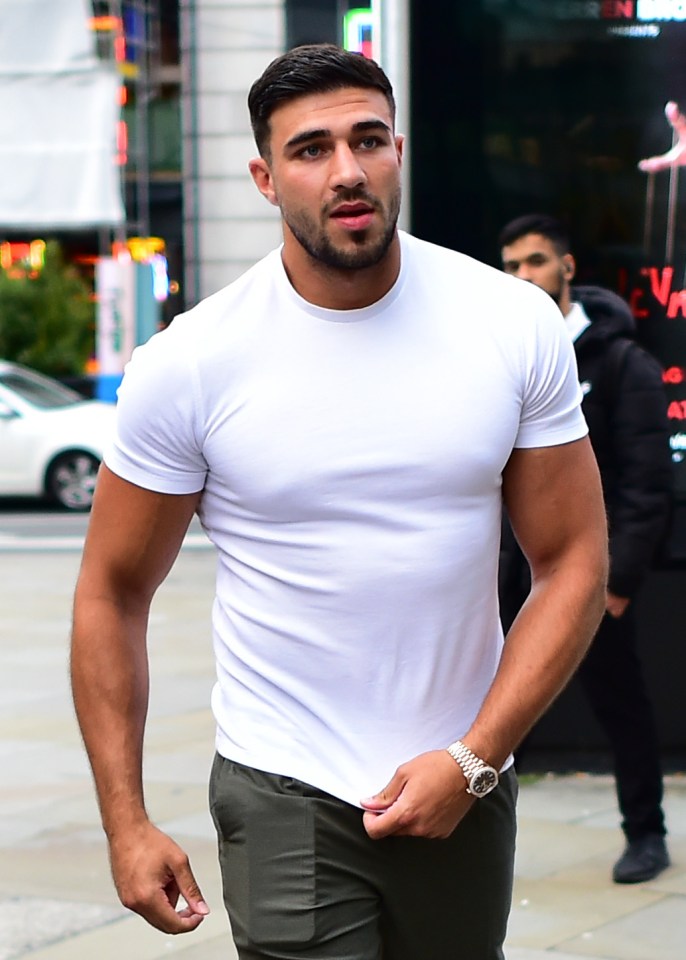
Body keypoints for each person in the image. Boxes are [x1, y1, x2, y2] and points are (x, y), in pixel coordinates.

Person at [70, 46, 607, 960]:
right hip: (284, 787)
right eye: (311, 149)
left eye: (367, 140)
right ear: (265, 177)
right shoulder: (193, 363)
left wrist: (474, 759)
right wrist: (126, 823)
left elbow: (574, 563)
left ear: (399, 150)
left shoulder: (510, 325)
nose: (347, 170)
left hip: (464, 782)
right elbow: (111, 593)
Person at [499, 213, 673, 885]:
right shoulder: (504, 358)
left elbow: (646, 482)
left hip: (590, 577)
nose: (523, 277)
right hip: (511, 573)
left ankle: (646, 833)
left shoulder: (623, 362)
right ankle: (474, 836)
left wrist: (616, 584)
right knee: (487, 710)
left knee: (622, 706)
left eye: (536, 262)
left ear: (567, 269)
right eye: (511, 266)